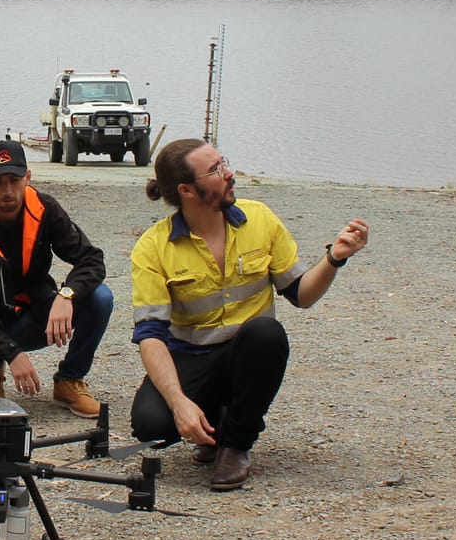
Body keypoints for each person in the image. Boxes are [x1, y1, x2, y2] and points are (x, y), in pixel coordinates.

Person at [129, 139, 368, 490]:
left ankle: (236, 444)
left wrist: (334, 258)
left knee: (266, 334)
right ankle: (215, 425)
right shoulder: (153, 247)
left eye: (224, 162)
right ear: (186, 190)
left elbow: (301, 294)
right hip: (192, 356)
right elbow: (151, 336)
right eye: (215, 170)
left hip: (247, 351)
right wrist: (179, 404)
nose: (229, 174)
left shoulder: (260, 218)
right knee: (151, 425)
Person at [0, 140, 112, 417]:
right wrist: (11, 353)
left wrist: (67, 295)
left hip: (37, 314)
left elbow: (91, 259)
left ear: (28, 177)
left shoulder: (46, 209)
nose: (7, 191)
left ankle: (69, 380)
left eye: (14, 180)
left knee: (100, 297)